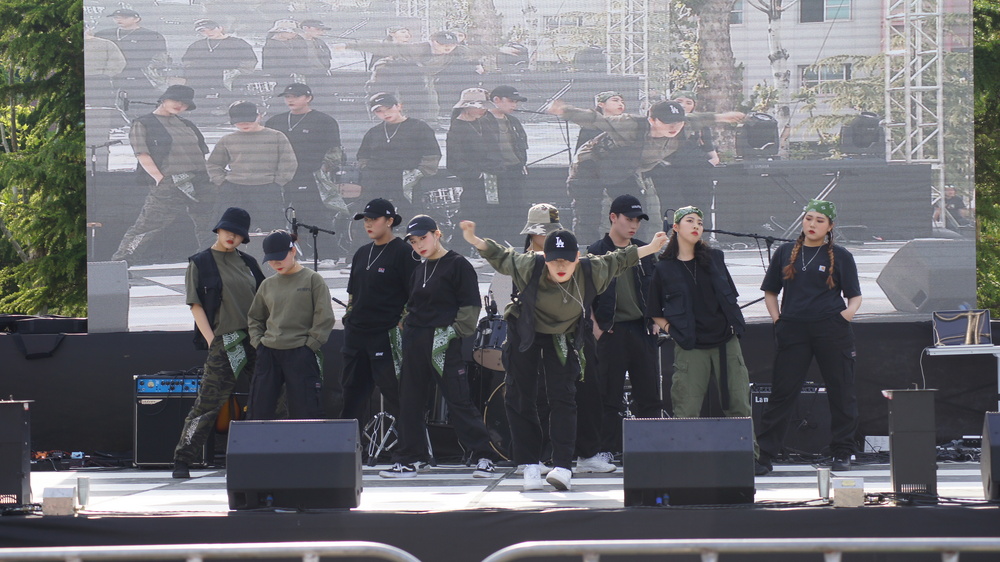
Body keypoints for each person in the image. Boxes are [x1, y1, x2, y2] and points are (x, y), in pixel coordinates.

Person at [461, 222, 667, 492]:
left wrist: (652, 247)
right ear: (544, 258)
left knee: (563, 396)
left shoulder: (591, 269)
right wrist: (474, 238)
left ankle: (562, 466)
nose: (561, 266)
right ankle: (531, 465)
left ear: (577, 259)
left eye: (567, 261)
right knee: (521, 396)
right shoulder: (528, 265)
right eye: (554, 260)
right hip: (526, 330)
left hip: (564, 334)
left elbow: (620, 258)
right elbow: (501, 255)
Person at [378, 215, 497, 479]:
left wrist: (453, 333)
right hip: (415, 341)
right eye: (413, 241)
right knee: (410, 401)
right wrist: (405, 324)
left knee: (458, 400)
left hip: (443, 342)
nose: (419, 245)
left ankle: (483, 456)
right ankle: (412, 458)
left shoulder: (457, 265)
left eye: (423, 238)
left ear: (437, 234)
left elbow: (469, 307)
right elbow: (414, 305)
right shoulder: (419, 268)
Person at [755, 199, 863, 475]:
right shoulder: (785, 252)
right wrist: (778, 320)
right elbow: (770, 291)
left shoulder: (841, 256)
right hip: (793, 329)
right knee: (782, 393)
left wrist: (842, 318)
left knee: (841, 391)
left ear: (829, 226)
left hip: (831, 328)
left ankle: (842, 452)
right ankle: (765, 455)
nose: (812, 224)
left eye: (819, 220)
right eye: (809, 218)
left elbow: (855, 297)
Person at [547, 99, 744, 244]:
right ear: (652, 120)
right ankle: (585, 252)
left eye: (678, 122)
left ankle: (633, 251)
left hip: (623, 170)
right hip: (590, 166)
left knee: (635, 210)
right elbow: (595, 119)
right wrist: (565, 110)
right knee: (588, 212)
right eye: (667, 122)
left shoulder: (685, 125)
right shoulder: (630, 124)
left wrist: (723, 117)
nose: (674, 127)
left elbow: (700, 118)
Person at [647, 206, 756, 461]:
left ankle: (746, 459)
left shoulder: (715, 258)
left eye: (699, 221)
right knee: (686, 407)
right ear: (675, 228)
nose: (696, 226)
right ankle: (685, 462)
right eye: (689, 221)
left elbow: (730, 297)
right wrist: (673, 331)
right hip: (690, 344)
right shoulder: (664, 268)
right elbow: (654, 310)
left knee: (738, 404)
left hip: (725, 341)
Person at [172, 207, 265, 479]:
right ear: (218, 230)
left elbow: (263, 300)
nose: (232, 237)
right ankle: (182, 459)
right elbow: (196, 305)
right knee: (208, 403)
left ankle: (260, 453)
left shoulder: (249, 263)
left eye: (238, 234)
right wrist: (213, 341)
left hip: (256, 338)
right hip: (225, 340)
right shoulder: (200, 262)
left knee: (273, 397)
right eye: (228, 231)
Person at [586, 195, 662, 470]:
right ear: (613, 217)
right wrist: (595, 326)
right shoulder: (595, 251)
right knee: (608, 395)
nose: (634, 226)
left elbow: (655, 288)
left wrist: (655, 318)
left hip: (642, 329)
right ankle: (605, 450)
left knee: (649, 395)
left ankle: (651, 449)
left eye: (638, 221)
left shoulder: (645, 251)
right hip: (611, 331)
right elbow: (587, 293)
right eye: (629, 219)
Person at [112, 85, 217, 263]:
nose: (180, 105)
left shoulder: (187, 124)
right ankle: (120, 264)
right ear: (163, 99)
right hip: (170, 181)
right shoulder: (143, 123)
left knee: (209, 225)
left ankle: (211, 262)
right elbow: (142, 154)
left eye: (185, 103)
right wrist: (160, 178)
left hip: (200, 179)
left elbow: (201, 152)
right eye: (176, 100)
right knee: (147, 226)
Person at [339, 198, 418, 431]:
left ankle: (409, 450)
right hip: (356, 335)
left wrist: (401, 324)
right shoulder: (362, 253)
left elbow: (414, 295)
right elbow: (353, 293)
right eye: (365, 219)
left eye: (374, 219)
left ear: (390, 221)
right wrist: (349, 318)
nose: (368, 224)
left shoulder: (404, 252)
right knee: (351, 394)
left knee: (396, 394)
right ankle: (347, 450)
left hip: (385, 334)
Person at [246, 230, 336, 419]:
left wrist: (310, 345)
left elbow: (324, 317)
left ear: (293, 251)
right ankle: (261, 448)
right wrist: (259, 344)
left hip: (300, 352)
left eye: (280, 258)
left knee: (306, 410)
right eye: (270, 260)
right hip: (269, 352)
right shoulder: (267, 285)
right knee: (259, 410)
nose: (275, 263)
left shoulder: (312, 280)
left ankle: (306, 448)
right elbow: (255, 317)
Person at [264, 83, 341, 249]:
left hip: (309, 174)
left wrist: (324, 169)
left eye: (295, 96)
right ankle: (280, 250)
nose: (290, 100)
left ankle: (328, 253)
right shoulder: (275, 121)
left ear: (308, 98)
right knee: (275, 214)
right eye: (287, 97)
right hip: (279, 175)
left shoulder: (324, 121)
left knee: (314, 213)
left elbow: (334, 150)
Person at [206, 101, 297, 231]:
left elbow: (288, 162)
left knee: (272, 229)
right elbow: (214, 163)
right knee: (228, 229)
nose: (244, 124)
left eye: (248, 120)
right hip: (234, 190)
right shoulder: (228, 139)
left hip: (267, 189)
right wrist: (221, 181)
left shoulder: (276, 137)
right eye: (239, 121)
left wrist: (278, 182)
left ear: (259, 116)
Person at [356, 92, 441, 223]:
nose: (385, 113)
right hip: (376, 181)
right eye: (379, 111)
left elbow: (432, 154)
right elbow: (362, 156)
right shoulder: (373, 132)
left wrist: (418, 173)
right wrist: (367, 171)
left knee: (411, 219)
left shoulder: (419, 127)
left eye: (389, 108)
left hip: (406, 181)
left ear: (399, 106)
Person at [446, 88, 504, 239]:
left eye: (484, 105)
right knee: (472, 213)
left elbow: (496, 147)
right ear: (465, 106)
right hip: (474, 180)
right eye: (479, 106)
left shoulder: (486, 121)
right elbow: (454, 160)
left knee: (491, 214)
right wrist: (477, 175)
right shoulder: (457, 128)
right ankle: (462, 248)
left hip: (494, 175)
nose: (483, 109)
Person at [94, 9, 166, 103]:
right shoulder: (103, 34)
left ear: (137, 19)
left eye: (124, 17)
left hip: (140, 79)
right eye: (116, 17)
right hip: (112, 77)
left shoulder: (152, 36)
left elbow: (160, 59)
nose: (119, 20)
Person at [181, 19, 257, 108]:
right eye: (203, 31)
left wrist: (236, 73)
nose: (208, 32)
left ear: (220, 28)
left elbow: (250, 61)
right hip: (201, 83)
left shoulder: (238, 43)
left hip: (229, 82)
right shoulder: (197, 45)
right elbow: (187, 62)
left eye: (211, 29)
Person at [484, 85, 530, 212]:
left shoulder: (513, 121)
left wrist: (522, 164)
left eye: (516, 102)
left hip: (515, 171)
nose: (514, 105)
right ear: (496, 100)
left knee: (519, 207)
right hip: (495, 173)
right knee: (500, 209)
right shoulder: (482, 121)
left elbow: (522, 145)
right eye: (511, 101)